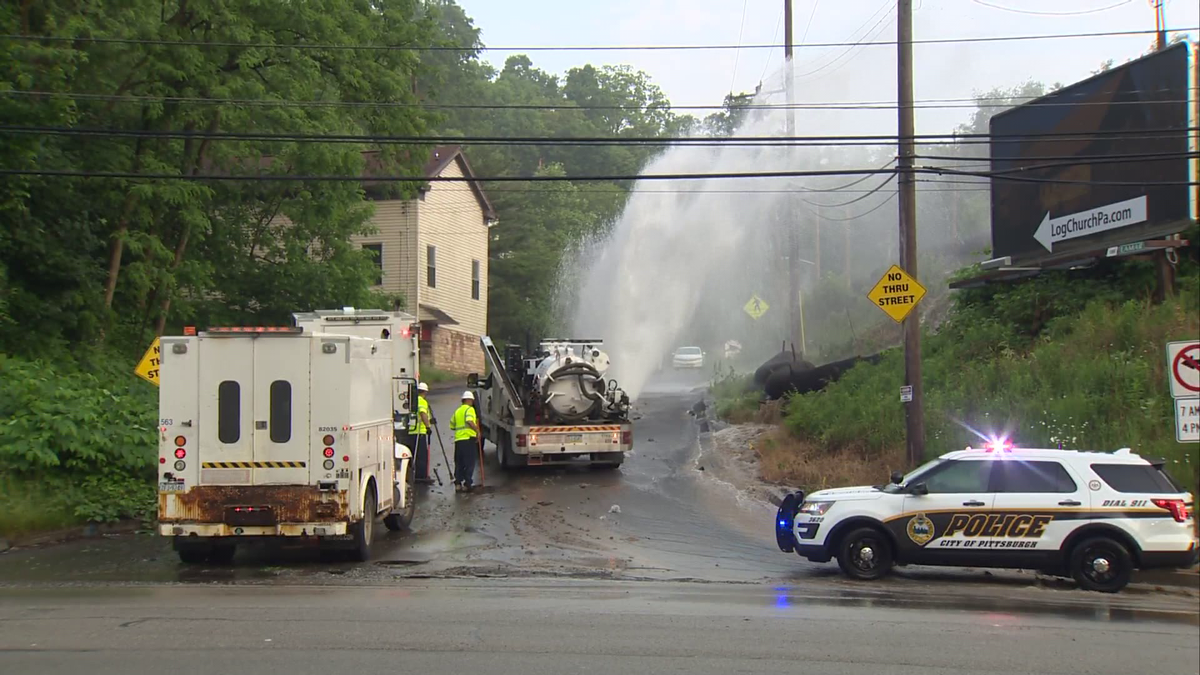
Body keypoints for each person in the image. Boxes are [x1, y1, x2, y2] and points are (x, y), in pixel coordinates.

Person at [449, 391, 480, 492]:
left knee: (459, 462)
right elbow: (469, 420)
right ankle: (467, 484)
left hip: (459, 440)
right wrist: (477, 431)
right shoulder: (470, 409)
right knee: (469, 462)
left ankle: (458, 484)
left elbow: (452, 425)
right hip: (468, 439)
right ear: (469, 400)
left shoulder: (457, 411)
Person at [413, 382, 434, 484]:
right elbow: (422, 413)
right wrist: (428, 426)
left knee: (414, 454)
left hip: (411, 431)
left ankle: (415, 474)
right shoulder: (421, 401)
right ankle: (421, 476)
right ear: (425, 392)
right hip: (419, 432)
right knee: (422, 456)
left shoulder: (412, 400)